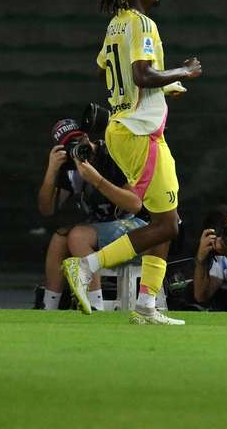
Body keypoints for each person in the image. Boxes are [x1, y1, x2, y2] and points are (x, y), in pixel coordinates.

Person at [61, 0, 202, 325]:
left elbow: (107, 70)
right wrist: (183, 71)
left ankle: (146, 307)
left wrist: (163, 88)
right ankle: (86, 266)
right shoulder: (142, 24)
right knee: (167, 226)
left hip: (129, 127)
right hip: (139, 132)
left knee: (167, 220)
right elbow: (141, 74)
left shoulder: (115, 25)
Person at [37, 118, 145, 310]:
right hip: (103, 227)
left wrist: (96, 180)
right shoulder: (69, 168)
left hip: (138, 226)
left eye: (78, 141)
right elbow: (47, 209)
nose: (77, 148)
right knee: (59, 238)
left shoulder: (110, 155)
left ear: (86, 137)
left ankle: (96, 305)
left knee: (78, 236)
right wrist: (51, 170)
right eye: (69, 146)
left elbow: (135, 204)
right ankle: (49, 305)